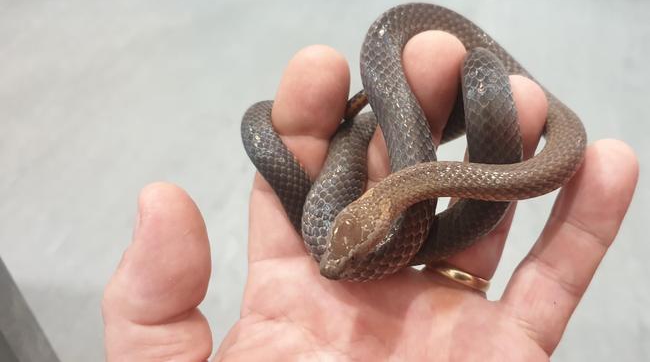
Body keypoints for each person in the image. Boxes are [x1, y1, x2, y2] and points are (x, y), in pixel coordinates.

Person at [102, 32, 638, 361]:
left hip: (425, 174)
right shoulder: (373, 218)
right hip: (402, 182)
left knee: (481, 76)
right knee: (396, 114)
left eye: (350, 253)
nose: (331, 266)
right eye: (344, 249)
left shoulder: (398, 208)